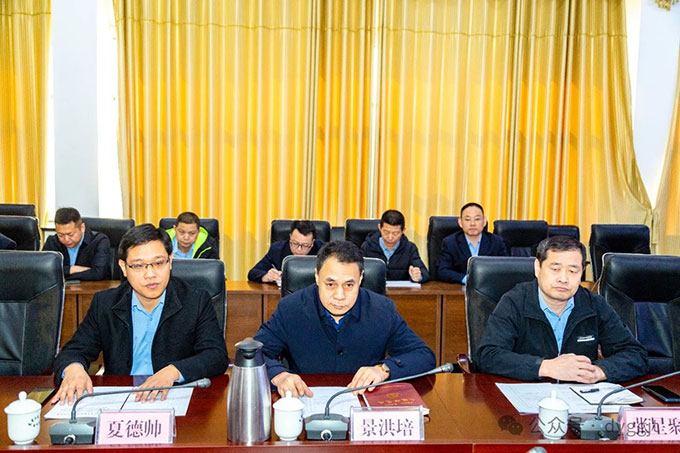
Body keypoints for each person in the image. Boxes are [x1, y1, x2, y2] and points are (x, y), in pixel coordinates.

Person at [52, 224, 229, 404]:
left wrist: (173, 372)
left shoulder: (195, 301)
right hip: (120, 398)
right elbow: (73, 350)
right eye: (138, 266)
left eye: (158, 263)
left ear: (170, 261)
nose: (150, 274)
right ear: (123, 267)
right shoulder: (105, 303)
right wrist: (74, 369)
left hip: (173, 397)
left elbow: (216, 355)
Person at [254, 240, 435, 397]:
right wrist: (278, 375)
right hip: (304, 401)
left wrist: (384, 369)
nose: (339, 296)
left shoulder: (382, 310)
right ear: (317, 276)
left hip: (363, 404)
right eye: (330, 284)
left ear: (361, 278)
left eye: (349, 285)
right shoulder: (291, 309)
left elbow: (424, 356)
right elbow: (254, 353)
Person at [477, 236, 648, 383]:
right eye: (555, 269)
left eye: (573, 271)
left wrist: (599, 371)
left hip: (580, 399)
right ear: (537, 268)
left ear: (582, 272)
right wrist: (546, 367)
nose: (564, 279)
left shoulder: (594, 304)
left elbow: (635, 355)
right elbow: (488, 355)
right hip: (524, 395)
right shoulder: (514, 301)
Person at [437, 202, 507, 284]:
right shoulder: (450, 242)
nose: (472, 224)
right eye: (467, 219)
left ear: (484, 221)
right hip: (459, 288)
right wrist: (466, 279)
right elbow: (442, 271)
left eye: (477, 219)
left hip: (489, 287)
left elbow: (505, 268)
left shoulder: (496, 242)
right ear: (460, 222)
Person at [360, 210, 430, 282]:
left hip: (400, 289)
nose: (390, 237)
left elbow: (424, 273)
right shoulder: (367, 246)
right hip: (374, 288)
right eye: (386, 232)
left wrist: (418, 276)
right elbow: (357, 270)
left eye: (395, 233)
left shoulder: (410, 248)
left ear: (403, 230)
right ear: (379, 227)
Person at [43, 207, 112, 280]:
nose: (66, 239)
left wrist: (62, 273)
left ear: (82, 228)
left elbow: (98, 273)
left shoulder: (99, 241)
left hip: (92, 287)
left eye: (71, 234)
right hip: (62, 287)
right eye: (61, 235)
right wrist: (71, 269)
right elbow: (43, 270)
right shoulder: (52, 241)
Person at [248, 220, 324, 283]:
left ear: (312, 242)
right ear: (290, 237)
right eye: (295, 243)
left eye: (305, 245)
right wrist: (265, 276)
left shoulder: (323, 251)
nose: (299, 249)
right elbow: (253, 273)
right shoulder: (277, 250)